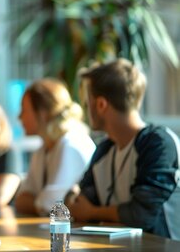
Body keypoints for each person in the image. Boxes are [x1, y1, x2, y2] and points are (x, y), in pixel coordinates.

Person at [66, 58, 180, 240]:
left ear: (101, 105)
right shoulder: (105, 149)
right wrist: (75, 197)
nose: (85, 111)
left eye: (88, 104)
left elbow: (141, 214)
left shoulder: (158, 144)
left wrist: (93, 212)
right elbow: (79, 202)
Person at [14, 78, 96, 215]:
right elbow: (21, 200)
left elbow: (51, 205)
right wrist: (40, 203)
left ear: (42, 113)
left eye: (24, 110)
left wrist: (39, 202)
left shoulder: (71, 145)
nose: (19, 117)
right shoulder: (43, 150)